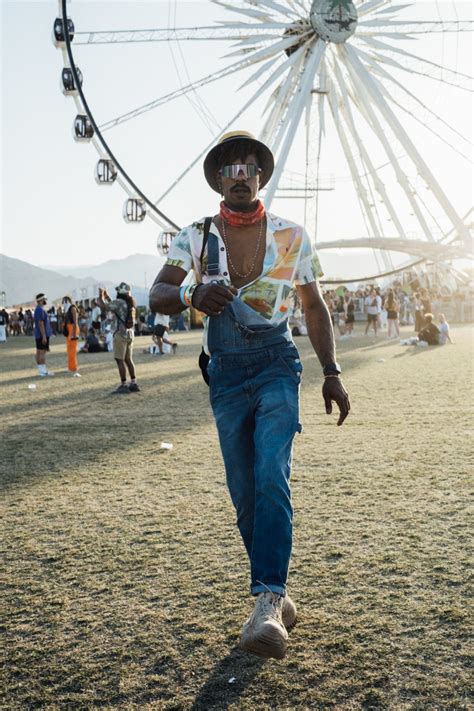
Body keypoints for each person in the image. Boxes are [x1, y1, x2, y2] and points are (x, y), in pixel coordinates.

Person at [149, 130, 350, 660]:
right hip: (226, 370)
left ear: (261, 177)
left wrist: (330, 371)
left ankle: (266, 599)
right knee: (244, 492)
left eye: (249, 167)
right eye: (230, 168)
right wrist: (192, 292)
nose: (240, 175)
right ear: (218, 179)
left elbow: (313, 307)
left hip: (278, 363)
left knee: (270, 474)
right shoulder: (194, 235)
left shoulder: (292, 236)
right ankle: (275, 596)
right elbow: (158, 293)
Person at [97, 283, 140, 393]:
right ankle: (134, 383)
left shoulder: (119, 302)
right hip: (130, 334)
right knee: (128, 360)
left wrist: (101, 296)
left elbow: (104, 307)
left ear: (120, 292)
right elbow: (114, 307)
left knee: (119, 359)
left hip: (120, 334)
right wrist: (107, 297)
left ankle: (124, 384)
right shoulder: (130, 303)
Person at [33, 293, 54, 376]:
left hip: (38, 334)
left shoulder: (38, 309)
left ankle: (41, 370)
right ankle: (43, 371)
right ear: (41, 300)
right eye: (45, 299)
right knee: (42, 352)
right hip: (42, 334)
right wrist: (44, 336)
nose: (46, 301)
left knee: (38, 352)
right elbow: (41, 323)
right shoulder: (40, 310)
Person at [62, 295, 81, 377]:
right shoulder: (68, 309)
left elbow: (75, 322)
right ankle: (71, 366)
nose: (63, 303)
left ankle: (73, 367)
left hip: (73, 329)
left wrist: (74, 333)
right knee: (69, 349)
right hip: (69, 329)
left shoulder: (72, 308)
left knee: (72, 349)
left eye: (64, 301)